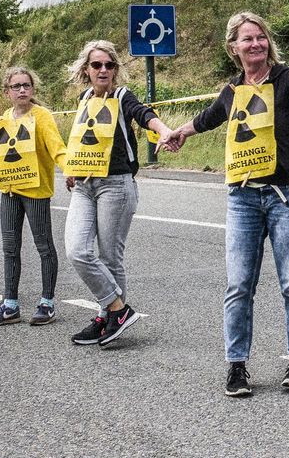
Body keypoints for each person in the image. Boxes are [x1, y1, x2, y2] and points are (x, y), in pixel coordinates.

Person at [164, 12, 289, 397]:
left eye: (260, 38)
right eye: (247, 39)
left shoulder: (286, 80)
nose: (255, 44)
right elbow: (208, 118)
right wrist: (179, 133)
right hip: (242, 197)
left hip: (285, 197)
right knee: (239, 284)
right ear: (233, 48)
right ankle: (237, 366)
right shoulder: (233, 89)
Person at [61, 40, 176, 347]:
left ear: (115, 70)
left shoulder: (122, 96)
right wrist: (72, 166)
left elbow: (143, 114)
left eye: (109, 65)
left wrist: (162, 131)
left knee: (110, 257)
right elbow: (82, 137)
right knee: (77, 250)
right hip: (85, 185)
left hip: (116, 184)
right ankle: (118, 308)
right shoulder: (85, 98)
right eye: (96, 65)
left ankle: (106, 318)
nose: (103, 70)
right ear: (86, 70)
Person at [0, 66, 66, 328]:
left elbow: (56, 146)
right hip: (9, 190)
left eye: (26, 85)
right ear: (7, 92)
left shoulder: (41, 116)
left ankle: (47, 303)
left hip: (36, 191)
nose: (21, 90)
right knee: (10, 247)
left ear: (32, 89)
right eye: (16, 86)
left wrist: (70, 168)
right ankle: (10, 305)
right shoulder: (4, 117)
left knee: (44, 246)